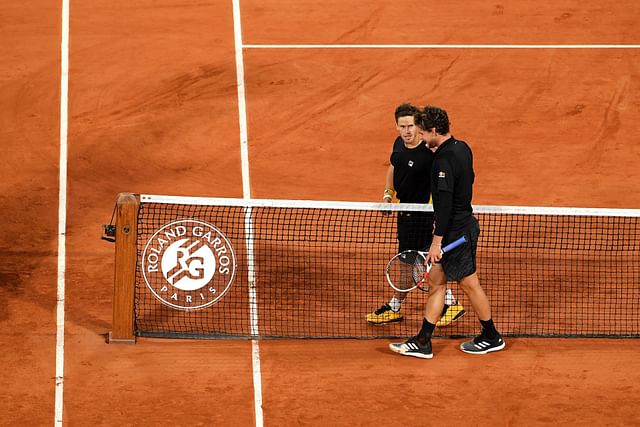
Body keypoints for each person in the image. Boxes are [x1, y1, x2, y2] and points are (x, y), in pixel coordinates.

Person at [389, 105, 505, 359]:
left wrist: (436, 242)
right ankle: (423, 341)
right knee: (437, 283)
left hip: (456, 231)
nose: (419, 136)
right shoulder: (462, 147)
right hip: (461, 226)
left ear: (432, 130)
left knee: (469, 284)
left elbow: (444, 206)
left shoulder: (442, 160)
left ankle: (491, 335)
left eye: (421, 132)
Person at [366, 103, 465, 327]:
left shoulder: (429, 152)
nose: (407, 131)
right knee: (408, 261)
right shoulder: (398, 145)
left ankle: (449, 303)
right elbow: (393, 167)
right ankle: (397, 305)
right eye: (403, 126)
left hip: (422, 216)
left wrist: (432, 211)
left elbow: (440, 183)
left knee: (424, 262)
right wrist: (388, 196)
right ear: (397, 127)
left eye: (411, 125)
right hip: (404, 212)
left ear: (418, 126)